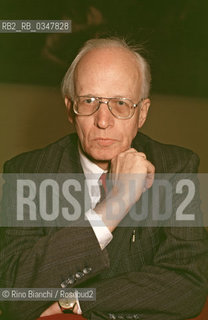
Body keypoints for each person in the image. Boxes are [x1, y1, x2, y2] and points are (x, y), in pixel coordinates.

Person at [0, 37, 208, 320]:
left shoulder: (176, 168)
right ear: (70, 109)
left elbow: (188, 285)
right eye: (89, 101)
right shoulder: (25, 172)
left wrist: (76, 299)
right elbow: (14, 294)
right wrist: (114, 205)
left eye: (120, 103)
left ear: (142, 113)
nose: (103, 120)